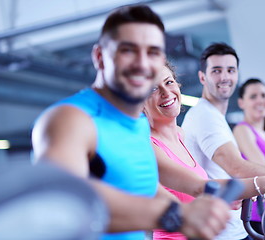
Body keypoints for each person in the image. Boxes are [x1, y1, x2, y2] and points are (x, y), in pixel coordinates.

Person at [32, 5, 232, 240]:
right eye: (128, 50)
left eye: (153, 52)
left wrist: (192, 212)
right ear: (99, 57)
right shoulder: (71, 119)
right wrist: (176, 215)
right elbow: (65, 201)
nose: (142, 63)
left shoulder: (136, 124)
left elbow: (148, 190)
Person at [144, 62, 265, 240]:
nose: (166, 92)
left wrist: (226, 196)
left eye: (169, 82)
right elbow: (198, 187)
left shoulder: (180, 134)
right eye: (152, 89)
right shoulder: (148, 147)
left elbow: (192, 190)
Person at [181, 42, 265, 240]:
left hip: (232, 229)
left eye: (231, 70)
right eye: (216, 70)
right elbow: (237, 168)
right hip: (221, 234)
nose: (225, 77)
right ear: (202, 77)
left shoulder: (214, 117)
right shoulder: (205, 117)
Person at [233, 78, 265, 234]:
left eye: (263, 95)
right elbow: (260, 166)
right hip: (255, 217)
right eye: (253, 96)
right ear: (242, 103)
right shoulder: (242, 130)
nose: (260, 100)